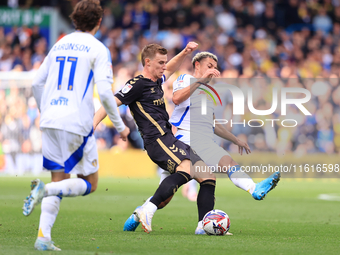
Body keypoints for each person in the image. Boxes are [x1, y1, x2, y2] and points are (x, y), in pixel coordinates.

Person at [123, 51, 281, 234]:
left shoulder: (209, 92)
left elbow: (213, 123)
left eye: (215, 67)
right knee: (179, 190)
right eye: (209, 66)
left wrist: (235, 139)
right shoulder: (185, 79)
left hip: (204, 139)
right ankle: (142, 213)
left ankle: (250, 192)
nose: (213, 71)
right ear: (197, 65)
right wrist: (202, 80)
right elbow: (177, 98)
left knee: (217, 170)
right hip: (186, 138)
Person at [22, 0, 129, 251]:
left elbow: (37, 82)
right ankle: (43, 190)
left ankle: (43, 238)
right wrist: (119, 125)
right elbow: (104, 93)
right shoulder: (98, 48)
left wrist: (45, 110)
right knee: (90, 182)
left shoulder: (59, 43)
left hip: (49, 120)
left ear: (74, 20)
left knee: (60, 178)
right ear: (99, 22)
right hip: (76, 122)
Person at [94, 42, 218, 234]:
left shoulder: (157, 80)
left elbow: (171, 67)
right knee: (185, 168)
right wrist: (91, 126)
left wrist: (185, 52)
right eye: (160, 63)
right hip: (157, 140)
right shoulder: (138, 84)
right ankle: (147, 210)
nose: (164, 67)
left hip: (168, 138)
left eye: (165, 62)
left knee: (207, 175)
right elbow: (110, 102)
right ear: (147, 62)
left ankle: (204, 226)